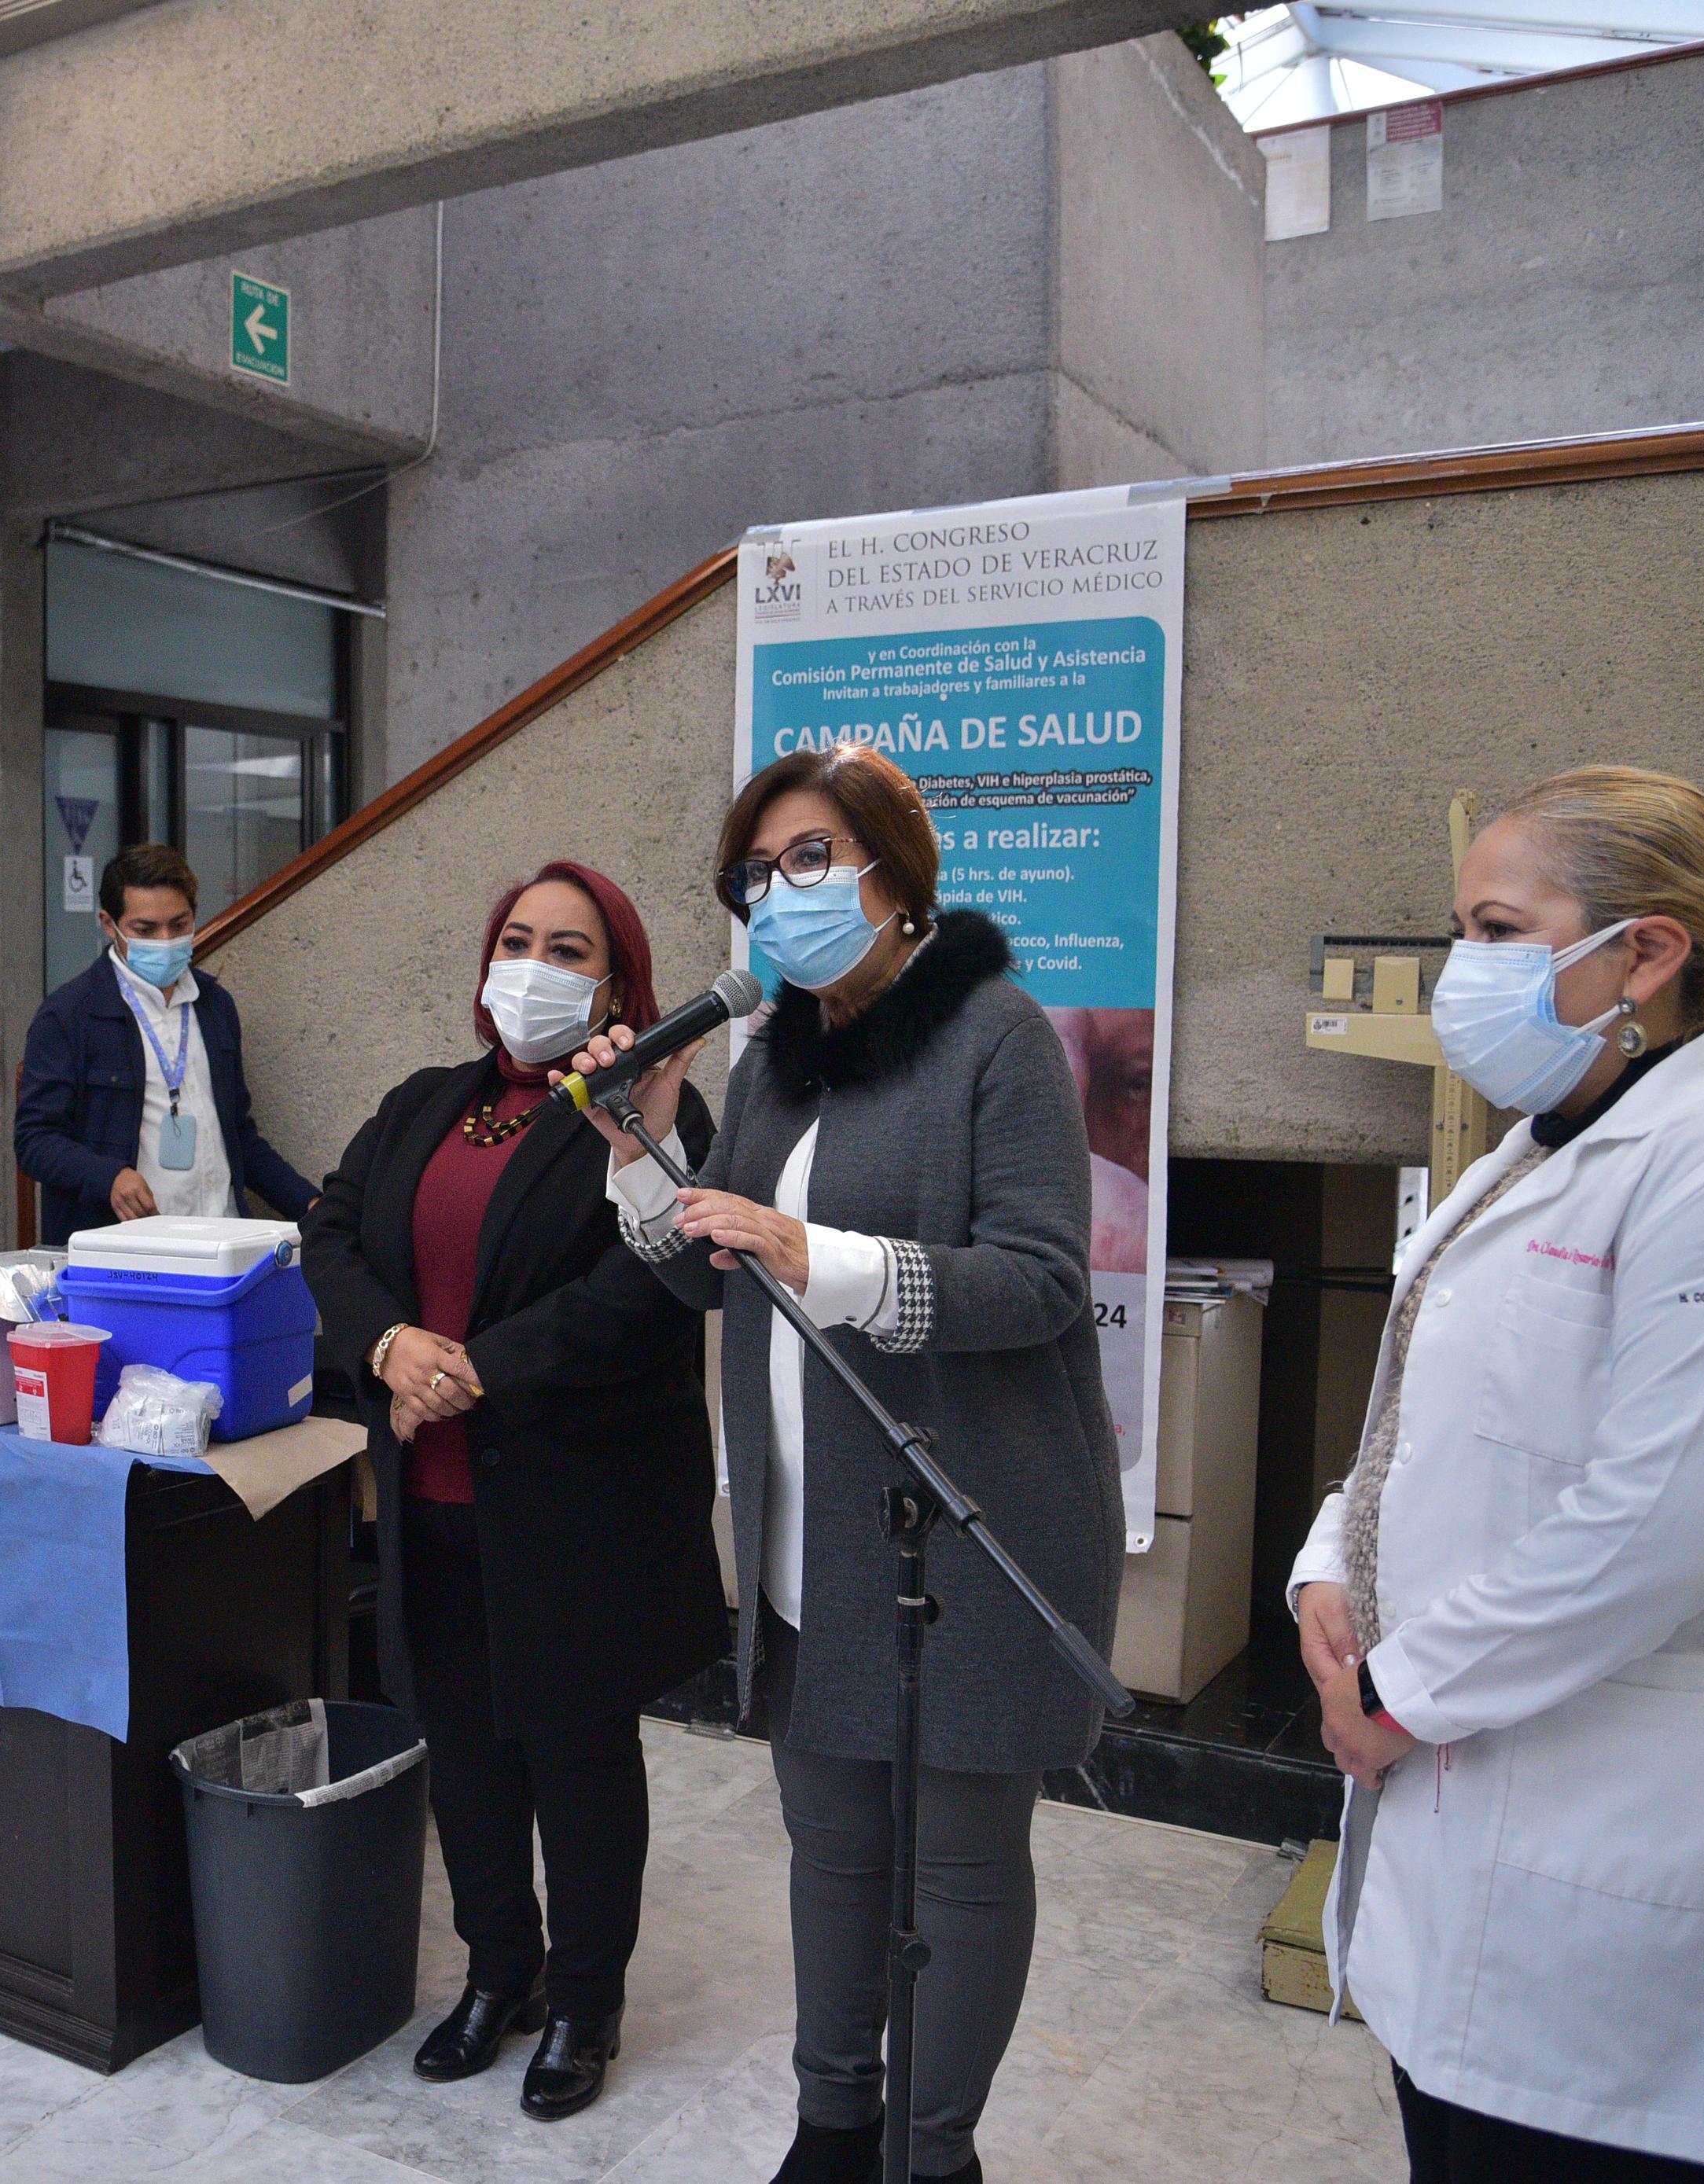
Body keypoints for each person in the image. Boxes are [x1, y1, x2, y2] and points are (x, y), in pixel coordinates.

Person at [1287, 766, 1704, 2182]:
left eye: (1500, 931)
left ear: (1646, 952)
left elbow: (1657, 1524)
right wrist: (1332, 1566)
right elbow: (1421, 1415)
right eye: (1462, 929)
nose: (1462, 970)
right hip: (1472, 1799)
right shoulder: (1535, 1151)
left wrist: (1392, 1692)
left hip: (1646, 1849)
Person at [581, 745, 1121, 2184]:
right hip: (809, 1534)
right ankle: (830, 2129)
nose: (780, 892)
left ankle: (930, 2153)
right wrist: (643, 1149)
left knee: (957, 1866)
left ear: (896, 869)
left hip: (973, 1523)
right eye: (756, 873)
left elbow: (1041, 1280)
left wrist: (817, 1253)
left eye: (810, 856)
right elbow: (710, 1277)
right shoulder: (778, 1053)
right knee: (831, 1850)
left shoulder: (996, 1034)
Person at [303, 861, 723, 2123]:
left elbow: (644, 1297)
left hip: (572, 1503)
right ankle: (502, 1972)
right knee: (467, 1751)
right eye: (517, 940)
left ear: (618, 984)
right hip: (427, 1488)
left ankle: (587, 2002)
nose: (534, 967)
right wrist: (391, 1347)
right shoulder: (425, 1101)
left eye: (570, 949)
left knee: (576, 1756)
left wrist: (475, 1368)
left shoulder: (650, 1115)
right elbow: (331, 1233)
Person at [17, 842, 316, 1243]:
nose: (165, 941)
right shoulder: (70, 1015)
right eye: (145, 930)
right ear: (109, 924)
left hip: (222, 1237)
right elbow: (35, 1140)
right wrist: (109, 1177)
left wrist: (310, 1204)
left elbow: (238, 1137)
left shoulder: (215, 1006)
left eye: (179, 925)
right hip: (131, 1248)